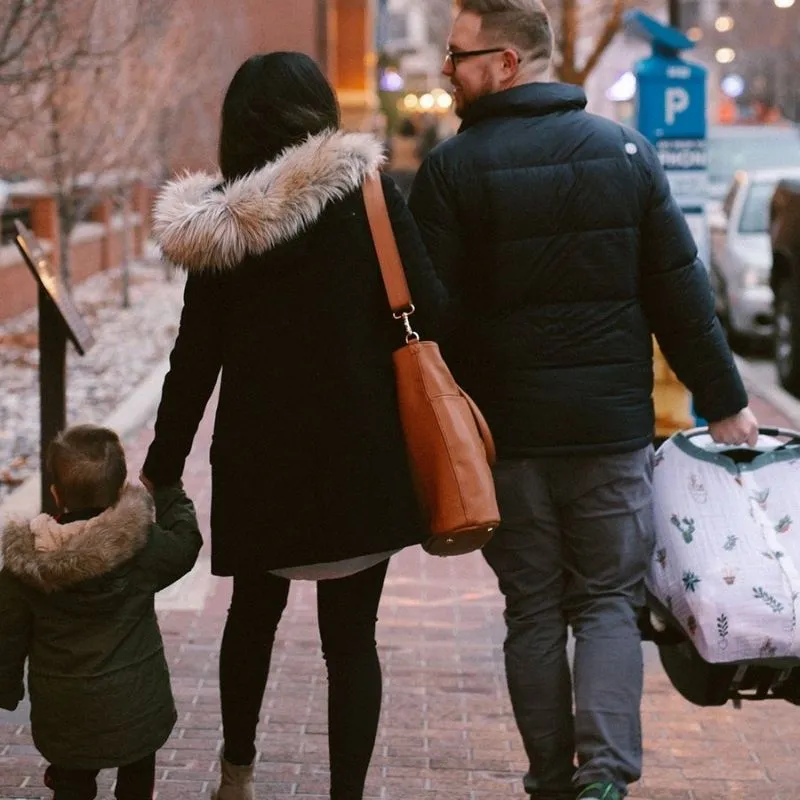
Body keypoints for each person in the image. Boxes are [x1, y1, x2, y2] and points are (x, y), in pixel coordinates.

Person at [407, 2, 759, 799]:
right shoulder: (625, 154)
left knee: (532, 609)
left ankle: (548, 779)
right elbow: (680, 293)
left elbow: (433, 320)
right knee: (606, 603)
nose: (448, 73)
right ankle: (604, 780)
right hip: (608, 433)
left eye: (459, 57)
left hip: (508, 440)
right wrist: (725, 399)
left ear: (506, 63)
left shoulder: (451, 172)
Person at [140, 53, 451, 800]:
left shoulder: (224, 227)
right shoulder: (372, 198)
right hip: (363, 461)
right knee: (352, 643)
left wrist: (161, 467)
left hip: (260, 464)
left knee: (251, 620)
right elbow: (434, 311)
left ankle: (235, 774)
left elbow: (194, 363)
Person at [0, 424, 202, 800]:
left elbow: (8, 635)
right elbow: (186, 546)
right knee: (137, 776)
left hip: (66, 713)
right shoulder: (141, 546)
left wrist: (6, 687)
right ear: (119, 492)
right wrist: (170, 492)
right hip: (136, 706)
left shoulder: (25, 568)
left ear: (56, 494)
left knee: (73, 783)